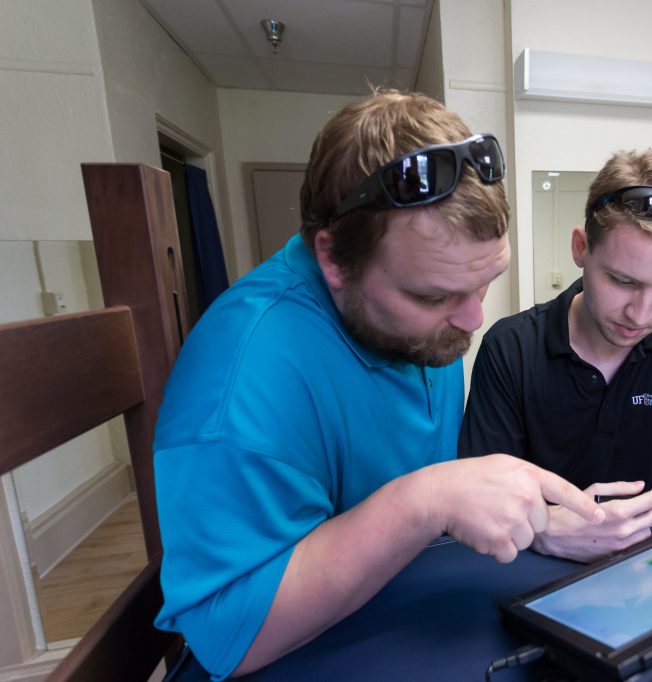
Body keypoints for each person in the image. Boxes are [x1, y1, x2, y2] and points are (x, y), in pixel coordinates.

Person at [152, 90, 604, 679]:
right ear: (334, 260)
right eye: (432, 296)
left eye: (486, 281)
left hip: (397, 609)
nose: (474, 319)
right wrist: (425, 502)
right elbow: (229, 640)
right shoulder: (242, 382)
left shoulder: (419, 320)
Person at [459, 149, 652, 563]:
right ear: (581, 248)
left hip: (644, 564)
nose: (641, 315)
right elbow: (476, 505)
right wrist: (545, 530)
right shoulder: (510, 348)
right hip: (526, 561)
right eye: (623, 281)